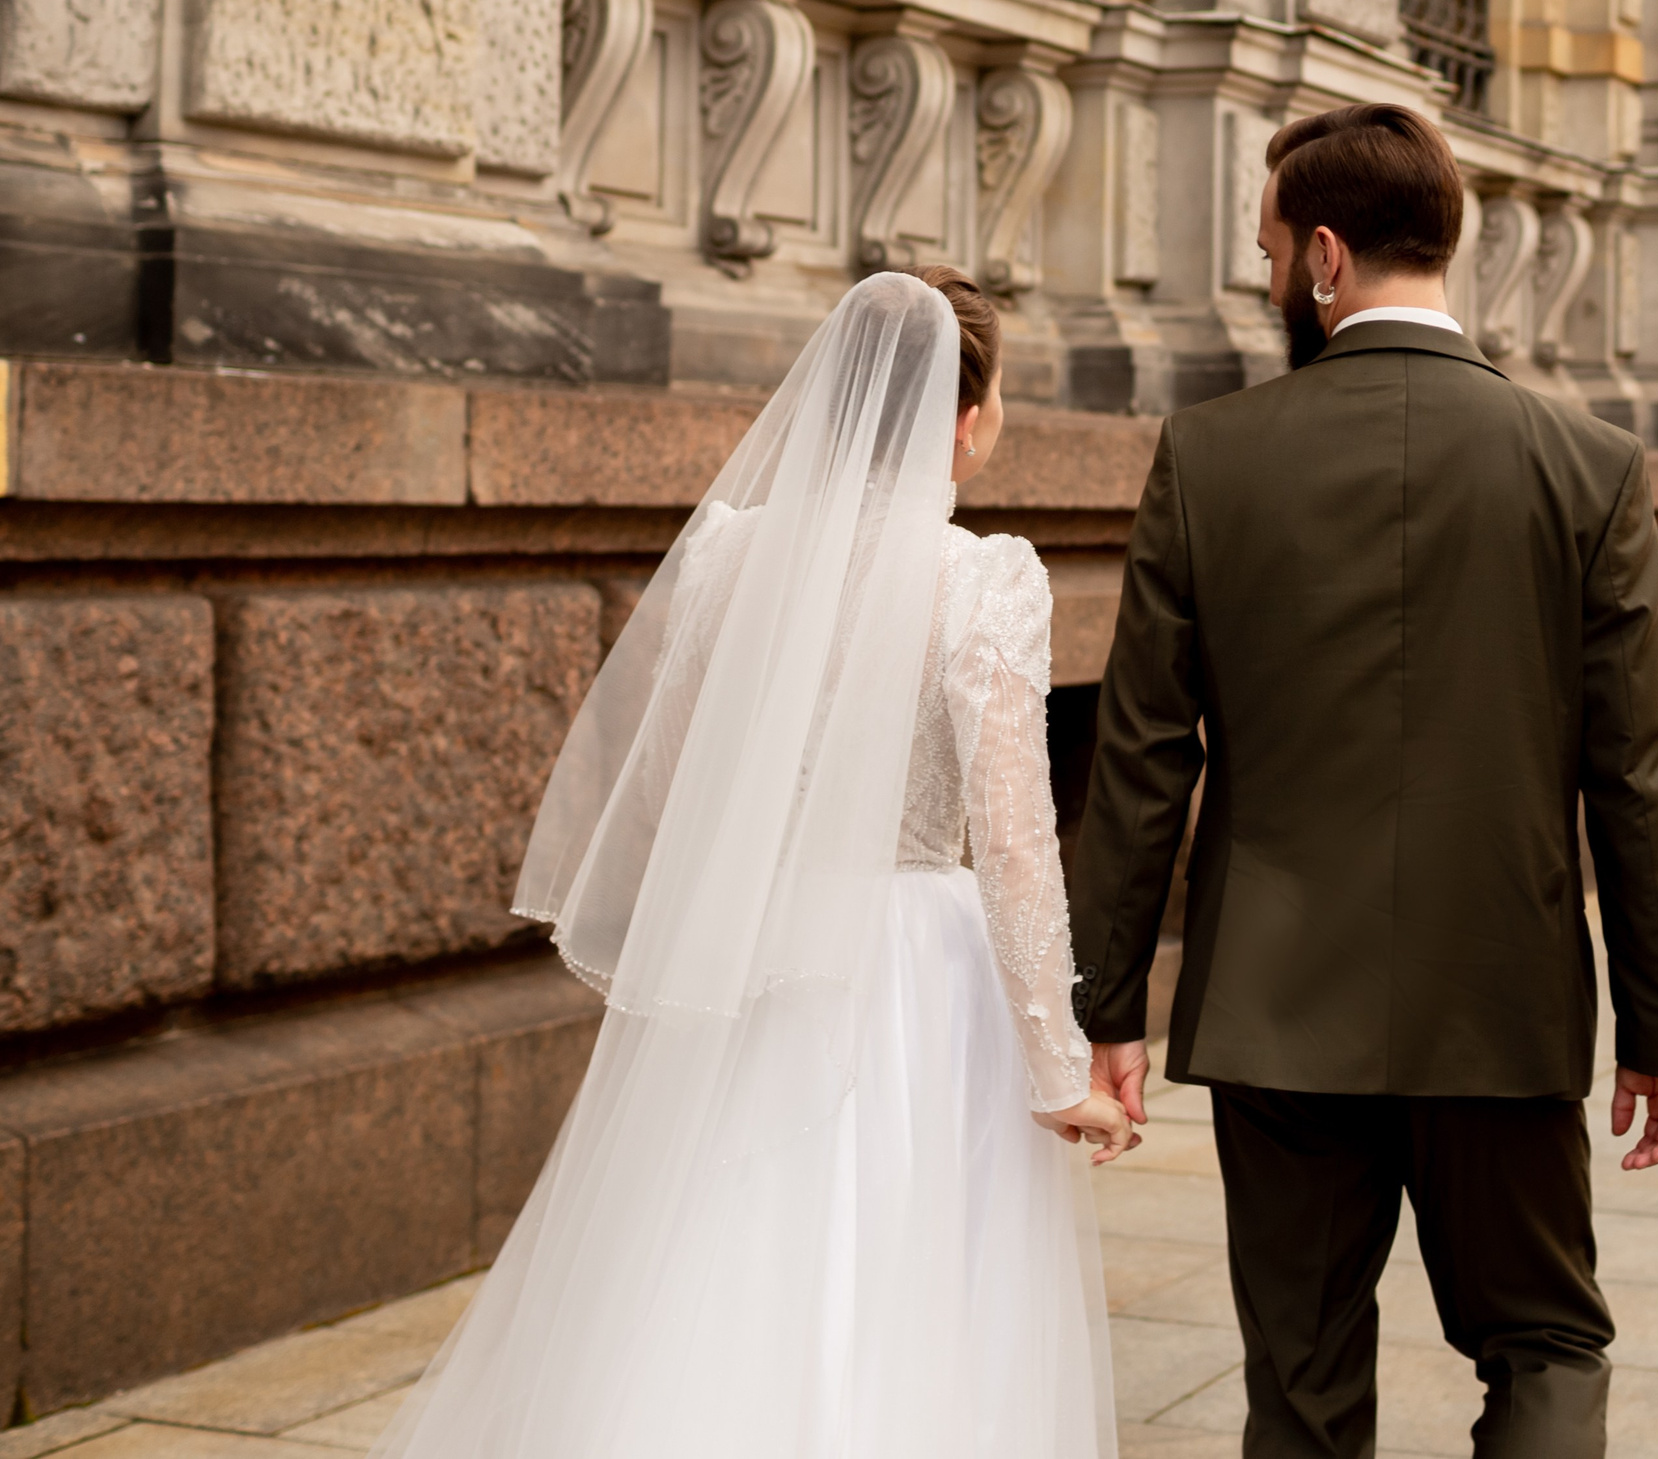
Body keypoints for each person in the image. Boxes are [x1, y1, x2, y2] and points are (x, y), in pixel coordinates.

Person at [372, 268, 1131, 1459]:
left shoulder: (730, 555)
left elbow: (677, 783)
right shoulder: (981, 580)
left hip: (747, 943)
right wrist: (1055, 1064)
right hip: (916, 978)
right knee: (907, 1268)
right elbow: (1018, 843)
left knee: (715, 1242)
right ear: (965, 420)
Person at [1069, 103, 1658, 1459]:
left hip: (1276, 1006)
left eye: (1265, 253)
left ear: (1321, 256)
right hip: (1502, 994)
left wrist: (1105, 1002)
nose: (1265, 280)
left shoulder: (1212, 457)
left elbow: (1140, 757)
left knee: (1298, 1384)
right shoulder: (1589, 469)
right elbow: (1640, 775)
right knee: (1543, 1341)